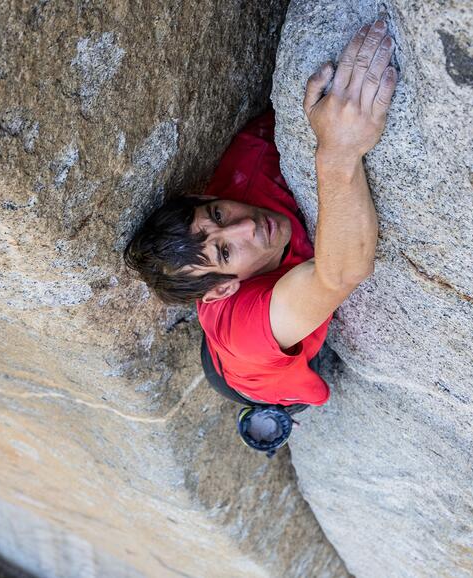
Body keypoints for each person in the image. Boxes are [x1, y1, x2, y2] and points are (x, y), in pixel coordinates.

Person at [124, 21, 397, 409]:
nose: (247, 226)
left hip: (233, 339)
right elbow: (341, 273)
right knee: (279, 394)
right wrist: (338, 152)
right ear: (221, 290)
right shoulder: (247, 330)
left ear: (204, 194)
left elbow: (305, 112)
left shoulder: (253, 157)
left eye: (217, 214)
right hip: (251, 373)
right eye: (225, 252)